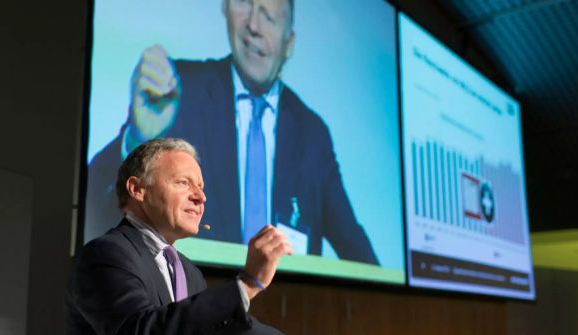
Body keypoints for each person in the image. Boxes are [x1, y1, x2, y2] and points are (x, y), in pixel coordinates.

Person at [86, 0, 379, 264]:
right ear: (225, 10)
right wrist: (136, 138)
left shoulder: (312, 134)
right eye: (244, 4)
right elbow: (95, 206)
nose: (253, 25)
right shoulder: (177, 91)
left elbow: (356, 249)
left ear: (289, 44)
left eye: (269, 16)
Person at [66, 138, 291, 334]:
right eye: (183, 183)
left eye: (201, 187)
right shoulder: (105, 255)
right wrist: (247, 284)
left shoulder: (189, 273)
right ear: (137, 189)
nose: (201, 197)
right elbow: (138, 330)